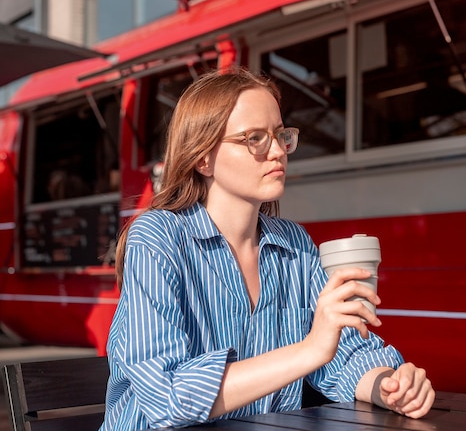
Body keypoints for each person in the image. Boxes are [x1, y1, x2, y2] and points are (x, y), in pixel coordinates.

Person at [100, 67, 434, 431]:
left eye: (279, 135)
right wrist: (308, 350)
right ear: (203, 157)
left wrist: (391, 386)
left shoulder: (294, 246)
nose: (277, 151)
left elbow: (343, 356)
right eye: (254, 138)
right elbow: (167, 397)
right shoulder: (158, 237)